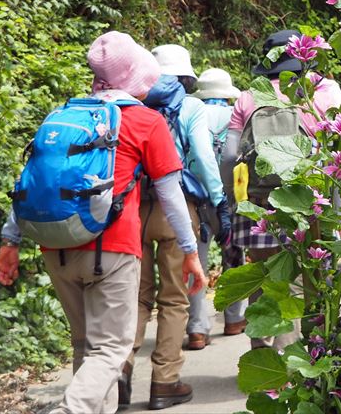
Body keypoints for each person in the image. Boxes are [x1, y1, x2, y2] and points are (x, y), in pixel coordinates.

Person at [0, 31, 205, 414]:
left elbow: (31, 180)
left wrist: (10, 242)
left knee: (87, 348)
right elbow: (172, 195)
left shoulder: (63, 116)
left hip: (56, 245)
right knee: (111, 348)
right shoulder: (145, 121)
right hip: (113, 249)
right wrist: (190, 251)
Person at [223, 30, 341, 350]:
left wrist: (235, 199)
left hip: (260, 204)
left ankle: (262, 354)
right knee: (306, 283)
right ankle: (297, 356)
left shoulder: (249, 96)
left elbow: (230, 157)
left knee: (265, 280)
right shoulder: (324, 91)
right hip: (310, 204)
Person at [124, 45, 229, 409]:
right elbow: (202, 156)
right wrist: (219, 200)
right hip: (177, 208)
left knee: (135, 296)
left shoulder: (133, 104)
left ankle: (120, 373)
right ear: (187, 77)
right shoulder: (191, 106)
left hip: (133, 208)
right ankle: (164, 383)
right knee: (173, 297)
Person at [187, 68, 245, 340]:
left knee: (195, 260)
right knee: (234, 257)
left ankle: (197, 328)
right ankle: (234, 319)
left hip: (195, 198)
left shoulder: (190, 113)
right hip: (230, 198)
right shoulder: (236, 115)